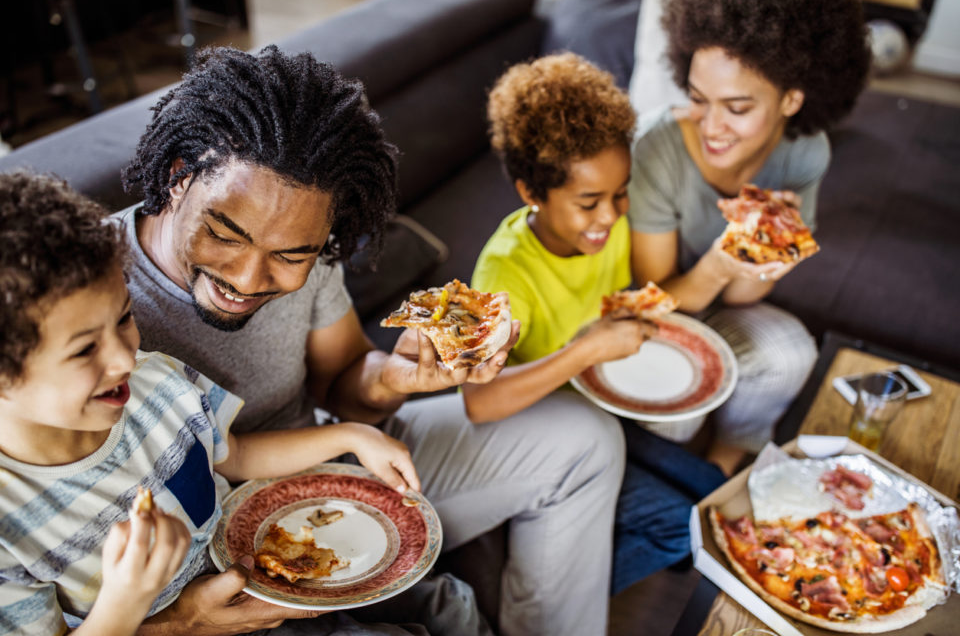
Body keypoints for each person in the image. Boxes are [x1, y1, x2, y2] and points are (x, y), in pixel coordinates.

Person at [117, 45, 625, 636]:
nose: (250, 280)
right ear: (178, 177)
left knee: (587, 440)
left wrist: (396, 379)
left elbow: (344, 382)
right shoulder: (86, 298)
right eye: (226, 236)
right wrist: (173, 625)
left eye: (291, 256)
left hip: (331, 464)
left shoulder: (308, 223)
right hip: (200, 543)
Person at [0, 172, 423, 635]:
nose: (125, 358)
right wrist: (125, 603)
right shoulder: (9, 525)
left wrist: (351, 434)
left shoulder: (157, 378)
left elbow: (233, 455)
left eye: (124, 318)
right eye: (84, 350)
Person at [467, 52, 726, 596]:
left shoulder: (608, 229)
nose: (610, 216)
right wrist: (586, 350)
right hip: (532, 428)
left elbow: (644, 296)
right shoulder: (504, 274)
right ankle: (544, 592)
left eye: (620, 193)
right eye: (589, 203)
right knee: (685, 529)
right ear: (532, 193)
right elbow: (478, 404)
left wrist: (724, 264)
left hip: (595, 408)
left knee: (714, 489)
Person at [628, 0, 871, 473]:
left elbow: (743, 298)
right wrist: (722, 260)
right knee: (672, 411)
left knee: (792, 352)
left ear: (791, 100)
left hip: (722, 306)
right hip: (654, 312)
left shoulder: (805, 154)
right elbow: (655, 298)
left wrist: (762, 250)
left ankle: (723, 464)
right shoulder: (657, 150)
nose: (712, 126)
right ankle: (664, 477)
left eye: (737, 107)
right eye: (698, 99)